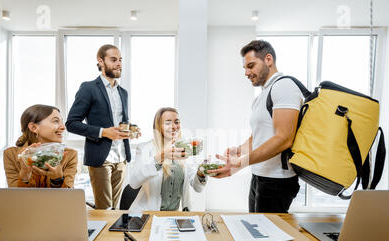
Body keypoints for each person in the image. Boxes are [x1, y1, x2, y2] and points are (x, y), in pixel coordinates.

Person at [210, 40, 303, 213]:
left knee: (267, 238)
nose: (246, 73)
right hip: (260, 176)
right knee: (256, 232)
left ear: (268, 59)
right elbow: (259, 137)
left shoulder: (283, 87)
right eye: (245, 68)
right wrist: (239, 150)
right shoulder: (262, 96)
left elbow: (284, 138)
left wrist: (241, 163)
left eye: (251, 66)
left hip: (277, 181)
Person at [66, 44, 139, 209]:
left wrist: (132, 130)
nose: (118, 63)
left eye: (120, 60)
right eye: (113, 60)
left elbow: (119, 121)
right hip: (100, 158)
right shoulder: (88, 88)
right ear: (101, 61)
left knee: (115, 208)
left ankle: (113, 236)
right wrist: (103, 132)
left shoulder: (123, 93)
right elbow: (71, 123)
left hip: (121, 157)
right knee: (104, 209)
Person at [128, 107, 207, 211]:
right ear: (159, 126)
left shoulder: (186, 150)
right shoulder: (144, 149)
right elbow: (133, 183)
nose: (174, 126)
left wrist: (201, 172)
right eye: (168, 123)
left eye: (176, 122)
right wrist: (161, 157)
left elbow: (197, 188)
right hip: (148, 215)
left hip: (176, 216)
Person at [4, 104, 77, 188]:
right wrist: (25, 175)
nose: (63, 127)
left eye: (61, 122)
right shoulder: (11, 154)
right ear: (34, 127)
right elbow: (14, 198)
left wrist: (57, 179)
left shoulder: (69, 155)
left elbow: (68, 199)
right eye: (56, 121)